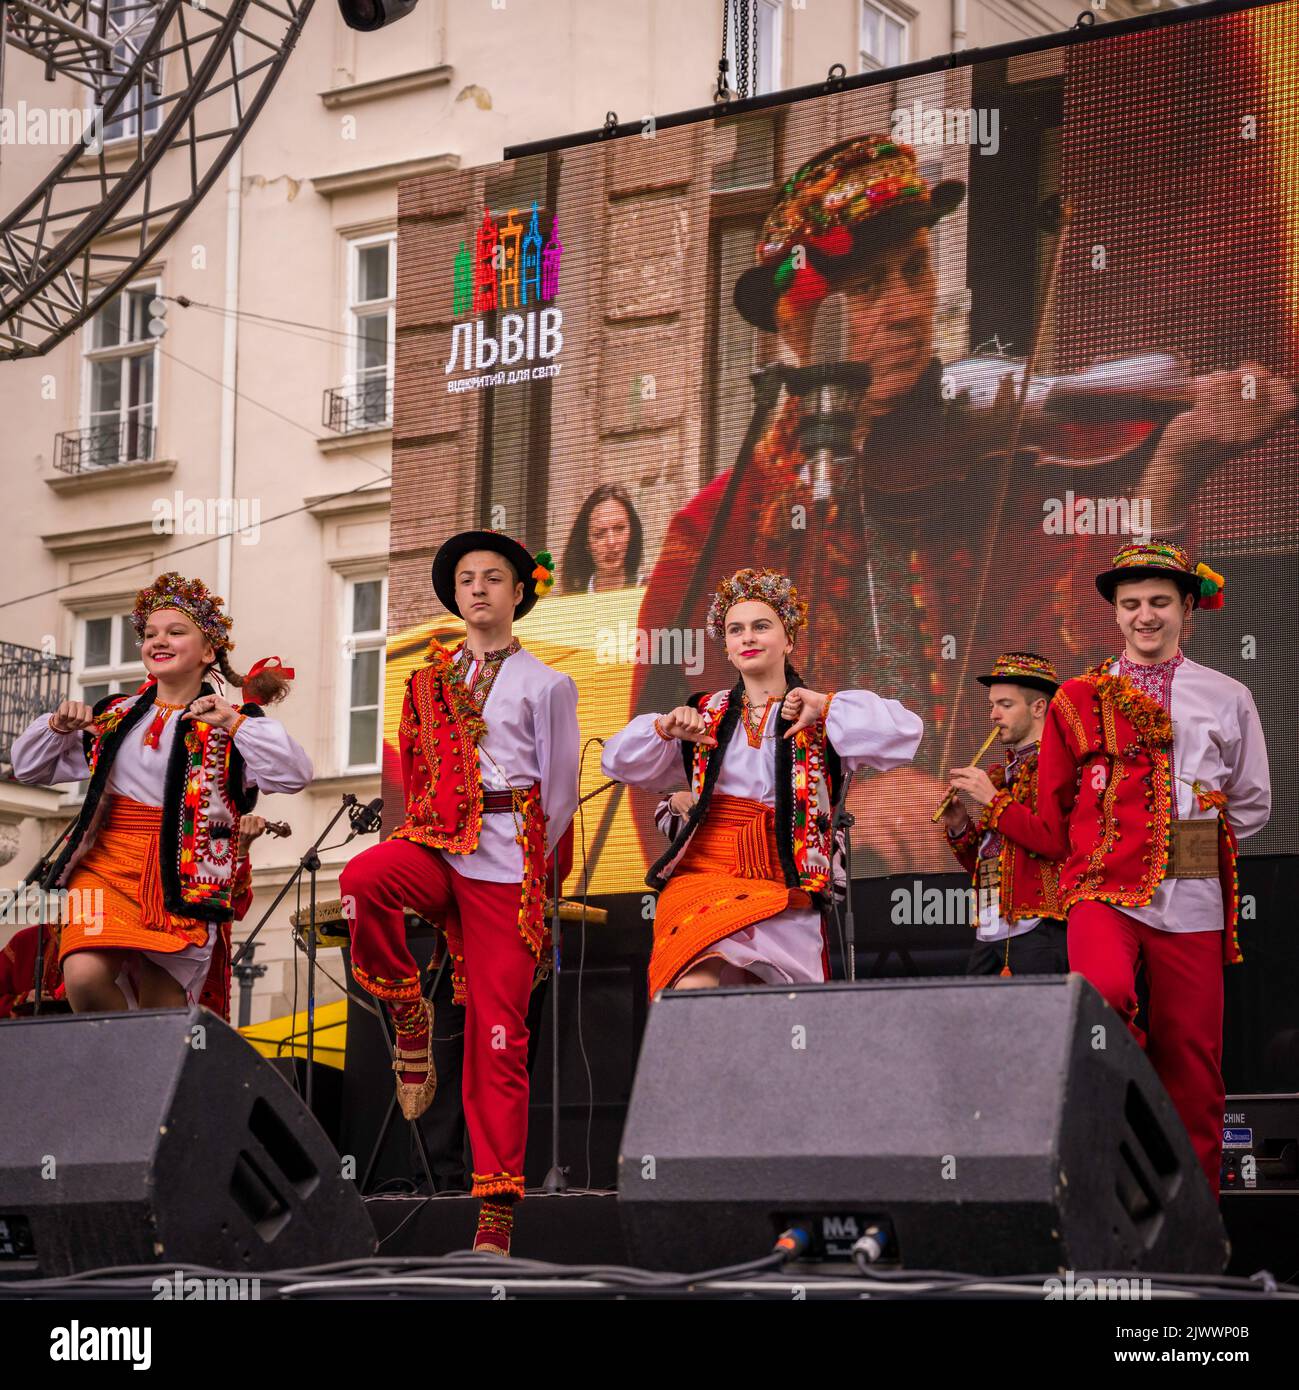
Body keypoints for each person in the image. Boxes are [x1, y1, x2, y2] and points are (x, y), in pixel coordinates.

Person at [632, 134, 1294, 876]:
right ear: (797, 325)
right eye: (869, 289)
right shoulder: (716, 529)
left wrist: (1168, 474)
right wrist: (838, 809)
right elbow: (666, 773)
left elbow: (1089, 668)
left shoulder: (994, 467)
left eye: (914, 272)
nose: (908, 311)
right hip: (810, 901)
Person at [949, 540, 1271, 1197]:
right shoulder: (1075, 698)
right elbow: (1055, 816)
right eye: (1130, 605)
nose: (1143, 615)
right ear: (1115, 614)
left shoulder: (1226, 695)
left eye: (1158, 602)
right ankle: (1106, 1183)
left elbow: (1251, 805)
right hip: (1099, 890)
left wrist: (1179, 840)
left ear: (1187, 606)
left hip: (1192, 897)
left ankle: (1196, 1221)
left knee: (1192, 1060)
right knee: (1100, 1006)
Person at [342, 530, 579, 1256]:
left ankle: (495, 1218)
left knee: (497, 1043)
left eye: (493, 578)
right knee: (362, 879)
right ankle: (410, 1017)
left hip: (506, 865)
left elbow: (562, 791)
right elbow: (417, 778)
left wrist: (536, 878)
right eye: (467, 579)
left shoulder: (547, 683)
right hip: (440, 847)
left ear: (517, 594)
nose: (477, 588)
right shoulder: (426, 681)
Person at [602, 567, 922, 994]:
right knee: (691, 987)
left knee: (776, 1014)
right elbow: (617, 762)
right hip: (706, 879)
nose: (747, 637)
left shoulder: (819, 712)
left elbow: (906, 733)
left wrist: (825, 706)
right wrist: (663, 728)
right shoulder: (704, 714)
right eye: (736, 630)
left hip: (784, 884)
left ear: (788, 639)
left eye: (761, 626)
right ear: (728, 649)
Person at [9, 574, 312, 1014]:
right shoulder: (113, 716)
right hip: (105, 863)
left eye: (175, 631)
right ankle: (121, 1067)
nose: (158, 641)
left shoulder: (234, 723)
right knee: (84, 977)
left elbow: (294, 774)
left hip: (182, 874)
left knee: (161, 1006)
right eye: (150, 634)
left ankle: (141, 1075)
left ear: (208, 651)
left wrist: (232, 722)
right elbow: (28, 767)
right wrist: (57, 726)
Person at [939, 652, 1068, 976]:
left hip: (1038, 929)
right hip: (990, 927)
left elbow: (1053, 843)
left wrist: (993, 801)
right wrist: (959, 824)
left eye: (1005, 705)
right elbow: (986, 861)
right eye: (992, 705)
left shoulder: (1059, 766)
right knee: (979, 1025)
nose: (994, 715)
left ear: (1038, 708)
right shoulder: (1002, 774)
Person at [561, 482, 645, 593]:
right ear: (586, 544)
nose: (611, 542)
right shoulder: (572, 601)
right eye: (599, 534)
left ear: (632, 533)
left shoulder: (649, 591)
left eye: (619, 529)